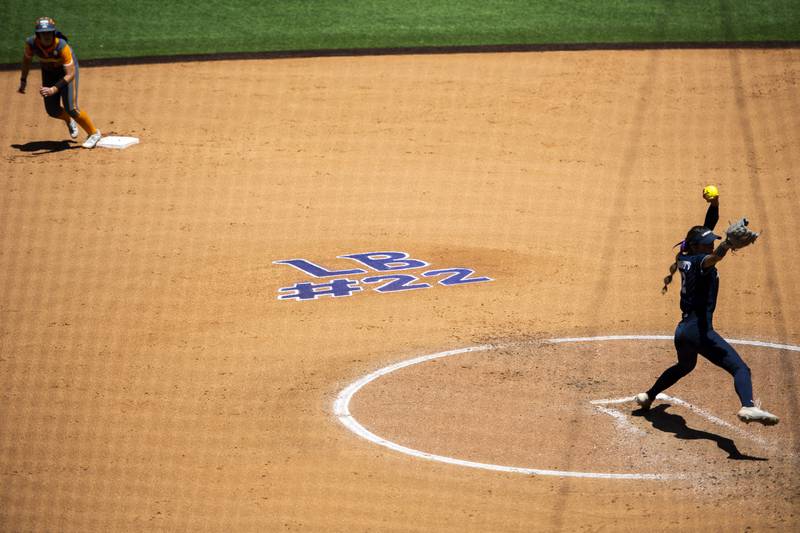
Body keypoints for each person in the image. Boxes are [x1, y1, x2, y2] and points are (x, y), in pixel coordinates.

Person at [634, 188, 779, 425]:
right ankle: (748, 406)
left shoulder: (685, 257)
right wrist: (727, 245)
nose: (712, 245)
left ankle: (648, 396)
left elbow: (705, 231)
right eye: (708, 244)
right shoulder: (703, 261)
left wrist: (716, 204)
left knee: (685, 365)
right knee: (740, 368)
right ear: (698, 247)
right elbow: (714, 258)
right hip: (700, 332)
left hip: (683, 331)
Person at [17, 17, 102, 149]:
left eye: (49, 32)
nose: (46, 36)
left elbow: (70, 74)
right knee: (52, 110)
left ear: (53, 32)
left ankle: (94, 133)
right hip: (49, 72)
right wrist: (23, 80)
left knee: (71, 108)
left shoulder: (62, 46)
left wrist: (54, 89)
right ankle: (69, 120)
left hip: (66, 72)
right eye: (43, 33)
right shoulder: (31, 43)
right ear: (38, 35)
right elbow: (26, 61)